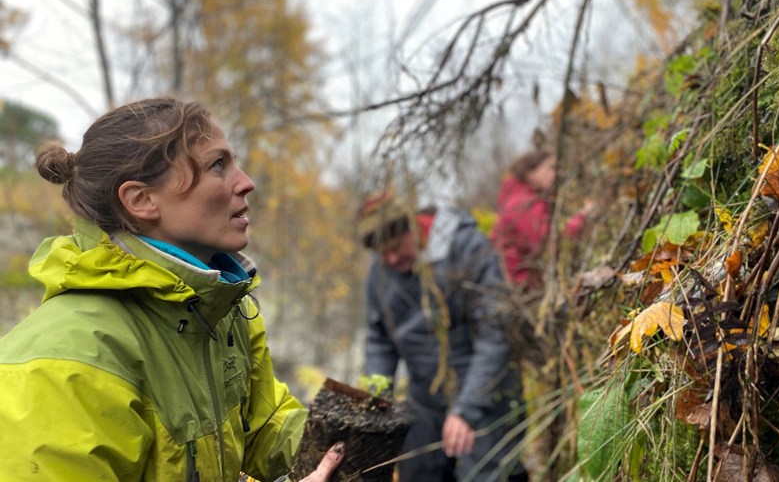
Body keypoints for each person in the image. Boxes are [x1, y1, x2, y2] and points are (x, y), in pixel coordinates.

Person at [0, 97, 343, 481]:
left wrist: (347, 447)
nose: (246, 183)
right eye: (218, 165)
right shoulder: (65, 362)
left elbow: (263, 427)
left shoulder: (219, 310)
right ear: (141, 200)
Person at [357, 190, 528, 481]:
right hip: (424, 402)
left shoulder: (467, 248)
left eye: (397, 246)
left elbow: (495, 333)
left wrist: (466, 410)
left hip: (484, 396)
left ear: (414, 224)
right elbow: (380, 339)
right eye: (382, 254)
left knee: (486, 473)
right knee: (417, 472)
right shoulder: (381, 270)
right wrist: (377, 390)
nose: (392, 258)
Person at [490, 148, 592, 290]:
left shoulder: (519, 198)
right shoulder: (524, 204)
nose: (556, 173)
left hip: (517, 286)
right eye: (550, 168)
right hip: (520, 289)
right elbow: (550, 247)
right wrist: (582, 218)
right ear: (530, 173)